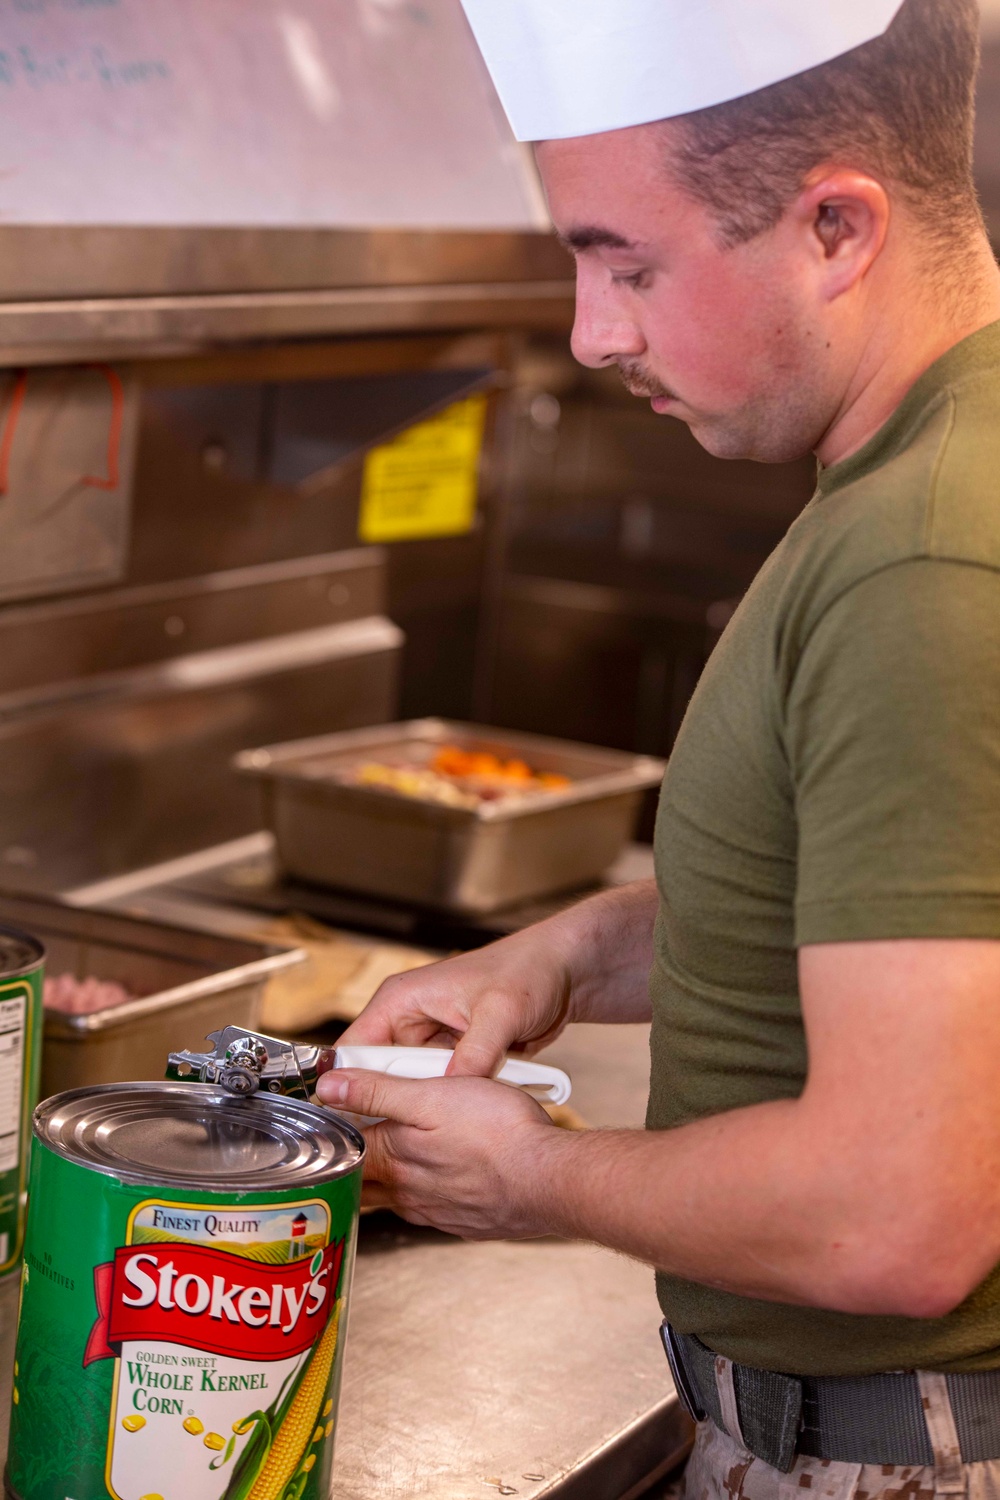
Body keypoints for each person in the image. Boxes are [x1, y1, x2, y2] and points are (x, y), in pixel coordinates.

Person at [316, 2, 1000, 1494]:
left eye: (627, 262)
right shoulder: (925, 463)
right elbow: (887, 906)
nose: (593, 333)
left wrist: (535, 1176)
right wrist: (564, 955)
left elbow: (905, 1216)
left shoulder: (922, 563)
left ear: (836, 227)